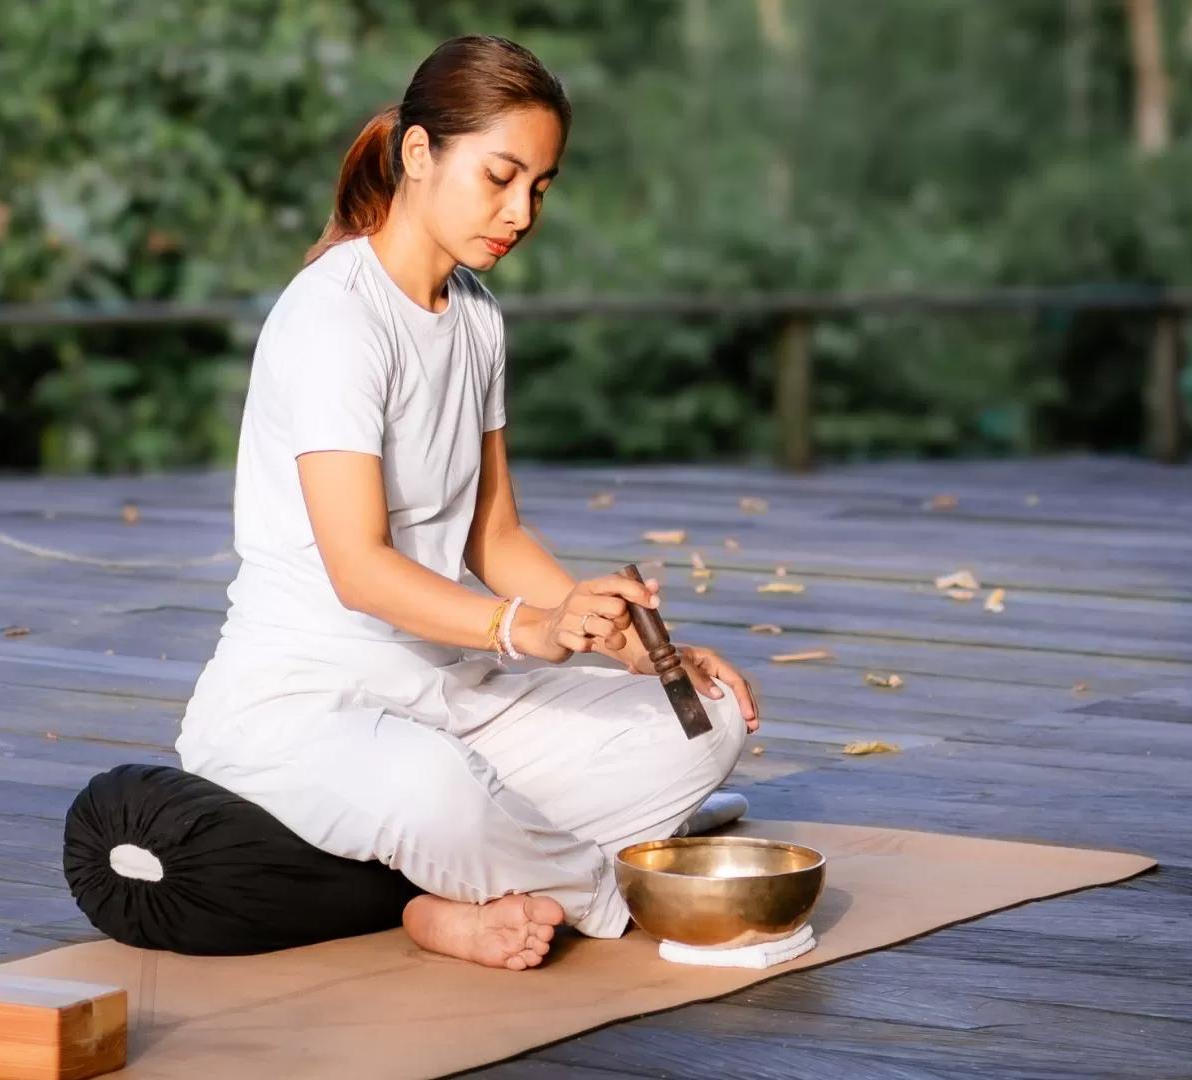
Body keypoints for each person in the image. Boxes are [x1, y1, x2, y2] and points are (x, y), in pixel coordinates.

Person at [176, 34, 759, 972]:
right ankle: (615, 886)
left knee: (708, 716)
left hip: (453, 694)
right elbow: (359, 569)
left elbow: (495, 531)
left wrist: (620, 642)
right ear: (417, 155)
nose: (521, 211)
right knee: (435, 790)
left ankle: (476, 883)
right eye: (500, 176)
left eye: (541, 186)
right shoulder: (333, 316)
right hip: (307, 708)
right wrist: (527, 629)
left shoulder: (477, 316)